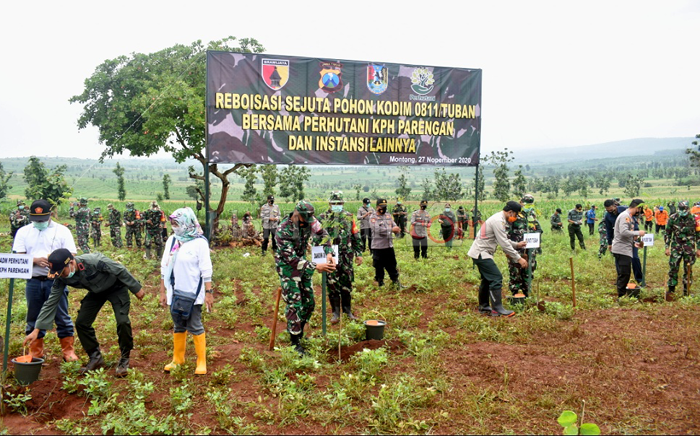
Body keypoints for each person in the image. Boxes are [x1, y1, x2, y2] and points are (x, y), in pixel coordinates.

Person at [24, 248, 145, 377]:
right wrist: (37, 329)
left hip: (116, 288)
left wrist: (136, 289)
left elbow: (119, 270)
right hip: (96, 292)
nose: (60, 275)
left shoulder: (94, 261)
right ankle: (96, 358)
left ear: (71, 263)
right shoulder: (61, 277)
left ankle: (124, 359)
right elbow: (51, 302)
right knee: (82, 322)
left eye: (62, 271)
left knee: (122, 321)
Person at [12, 199, 79, 362]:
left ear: (50, 215)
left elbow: (72, 256)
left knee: (62, 316)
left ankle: (68, 351)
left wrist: (53, 262)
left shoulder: (62, 231)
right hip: (33, 281)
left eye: (43, 219)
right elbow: (18, 256)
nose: (40, 222)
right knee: (33, 316)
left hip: (56, 282)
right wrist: (34, 260)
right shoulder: (23, 232)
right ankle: (36, 351)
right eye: (36, 220)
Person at [274, 200, 335, 356]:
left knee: (309, 303)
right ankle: (294, 343)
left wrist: (328, 253)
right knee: (295, 303)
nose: (308, 223)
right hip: (288, 269)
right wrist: (316, 266)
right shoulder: (284, 230)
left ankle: (299, 333)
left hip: (304, 265)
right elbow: (291, 260)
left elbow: (323, 235)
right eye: (304, 219)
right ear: (297, 214)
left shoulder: (310, 220)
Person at [160, 207, 214, 375]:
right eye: (173, 224)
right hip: (175, 292)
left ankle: (201, 361)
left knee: (195, 325)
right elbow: (164, 266)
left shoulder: (199, 242)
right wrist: (162, 291)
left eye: (177, 223)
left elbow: (206, 270)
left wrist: (209, 292)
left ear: (187, 223)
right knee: (178, 325)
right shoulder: (172, 240)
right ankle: (178, 359)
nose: (174, 227)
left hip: (192, 293)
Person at [468, 201, 528, 317]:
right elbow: (504, 243)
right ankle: (497, 309)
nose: (515, 218)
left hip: (480, 252)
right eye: (515, 215)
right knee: (496, 277)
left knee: (487, 279)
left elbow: (503, 239)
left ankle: (484, 307)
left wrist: (517, 245)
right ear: (510, 212)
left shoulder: (499, 219)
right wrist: (518, 258)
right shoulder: (498, 221)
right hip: (481, 253)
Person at [315, 191, 363, 324]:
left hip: (346, 256)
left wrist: (358, 253)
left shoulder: (349, 217)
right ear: (329, 203)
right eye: (334, 203)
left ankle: (347, 311)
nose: (337, 205)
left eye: (339, 203)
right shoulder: (322, 218)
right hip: (330, 257)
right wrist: (318, 261)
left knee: (346, 283)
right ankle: (335, 312)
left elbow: (355, 235)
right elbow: (317, 239)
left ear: (343, 204)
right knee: (332, 284)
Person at [507, 195, 541, 298]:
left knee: (529, 270)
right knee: (515, 271)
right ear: (521, 202)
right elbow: (507, 232)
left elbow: (538, 230)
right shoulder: (514, 215)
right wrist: (508, 250)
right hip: (516, 249)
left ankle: (527, 292)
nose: (527, 206)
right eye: (526, 203)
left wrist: (537, 247)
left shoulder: (532, 216)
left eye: (530, 204)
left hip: (530, 250)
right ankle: (515, 292)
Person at [664, 200, 700, 299]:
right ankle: (671, 290)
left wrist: (699, 248)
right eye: (680, 209)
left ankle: (686, 291)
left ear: (688, 208)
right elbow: (668, 233)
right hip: (676, 246)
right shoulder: (673, 218)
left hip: (689, 247)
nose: (682, 211)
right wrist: (667, 247)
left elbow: (698, 234)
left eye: (684, 209)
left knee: (688, 269)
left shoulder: (694, 219)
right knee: (673, 266)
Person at [604, 199, 644, 284]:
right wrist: (610, 243)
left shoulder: (625, 210)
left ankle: (639, 279)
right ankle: (621, 280)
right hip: (619, 240)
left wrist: (636, 233)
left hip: (631, 237)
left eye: (611, 209)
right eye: (608, 210)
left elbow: (634, 221)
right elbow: (608, 230)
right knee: (619, 260)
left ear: (615, 205)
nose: (610, 211)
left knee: (635, 258)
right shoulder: (607, 216)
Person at [611, 199, 645, 298]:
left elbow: (627, 235)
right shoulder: (625, 216)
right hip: (621, 249)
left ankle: (622, 294)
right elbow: (623, 232)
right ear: (637, 207)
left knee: (624, 273)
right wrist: (638, 233)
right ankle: (621, 296)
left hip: (625, 248)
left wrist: (635, 242)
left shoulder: (629, 217)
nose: (639, 212)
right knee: (624, 274)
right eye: (639, 209)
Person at [370, 199, 403, 288]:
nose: (383, 208)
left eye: (385, 206)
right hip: (378, 247)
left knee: (392, 264)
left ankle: (396, 282)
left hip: (388, 245)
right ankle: (380, 283)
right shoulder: (373, 218)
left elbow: (394, 224)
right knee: (379, 266)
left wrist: (396, 228)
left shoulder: (388, 216)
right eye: (381, 207)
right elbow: (377, 230)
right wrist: (391, 230)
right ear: (377, 207)